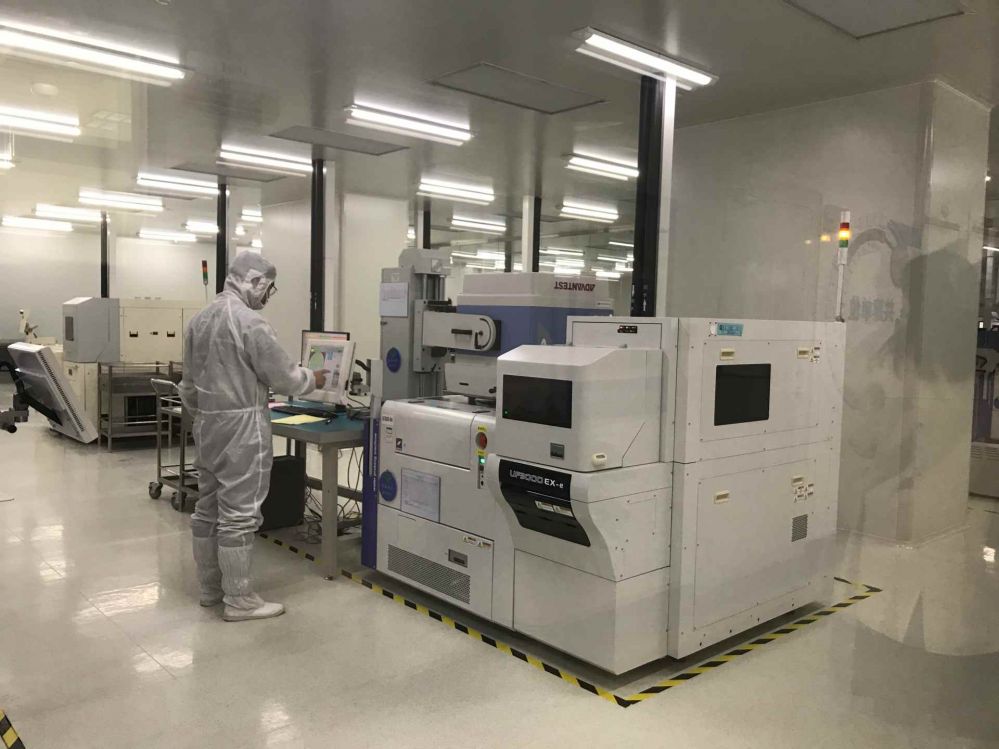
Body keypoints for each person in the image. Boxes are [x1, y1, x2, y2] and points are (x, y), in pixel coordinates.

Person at [179, 252, 328, 621]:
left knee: (207, 508)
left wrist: (206, 417)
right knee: (239, 515)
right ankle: (239, 600)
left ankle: (210, 589)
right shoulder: (250, 322)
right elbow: (285, 377)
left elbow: (188, 385)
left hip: (207, 425)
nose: (267, 296)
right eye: (268, 289)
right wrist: (313, 379)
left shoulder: (199, 320)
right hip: (242, 429)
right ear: (256, 281)